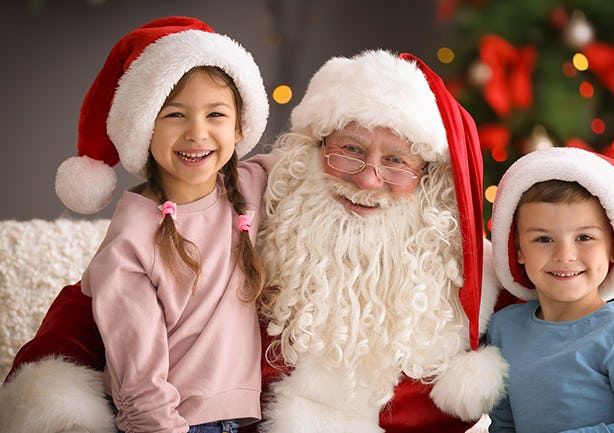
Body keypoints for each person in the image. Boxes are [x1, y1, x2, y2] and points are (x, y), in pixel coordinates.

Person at [0, 49, 512, 433]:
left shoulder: (472, 277)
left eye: (397, 161)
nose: (367, 179)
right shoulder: (273, 203)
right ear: (313, 150)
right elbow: (99, 305)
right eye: (349, 149)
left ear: (434, 179)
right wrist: (59, 394)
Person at [5, 16, 271, 433]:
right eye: (175, 115)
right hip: (175, 423)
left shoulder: (251, 187)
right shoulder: (129, 243)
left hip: (245, 418)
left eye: (216, 114)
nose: (197, 133)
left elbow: (324, 158)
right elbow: (139, 380)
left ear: (239, 126)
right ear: (144, 127)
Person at [486, 146, 614, 432]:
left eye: (584, 237)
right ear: (518, 250)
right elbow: (503, 425)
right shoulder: (503, 329)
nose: (565, 255)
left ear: (613, 247)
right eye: (543, 239)